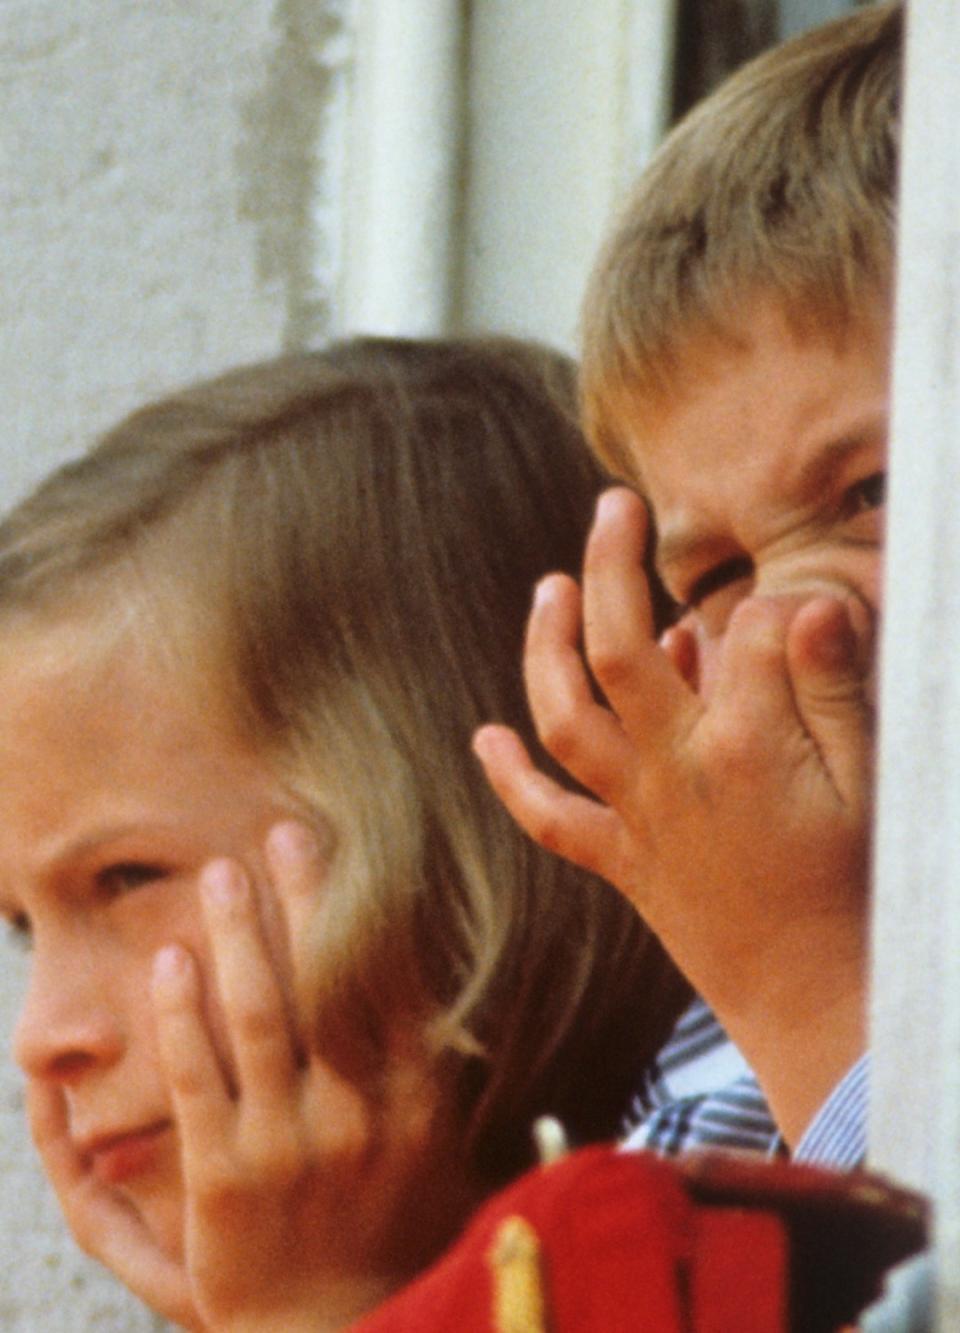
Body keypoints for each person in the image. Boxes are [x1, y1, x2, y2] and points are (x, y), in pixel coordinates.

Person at [0, 337, 691, 1331]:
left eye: (123, 878)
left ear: (463, 846)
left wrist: (315, 1314)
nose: (41, 1036)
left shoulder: (712, 1226)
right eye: (24, 924)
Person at [475, 1, 901, 1167]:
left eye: (873, 491)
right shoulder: (716, 1049)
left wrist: (809, 990)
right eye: (716, 574)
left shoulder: (774, 978)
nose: (791, 620)